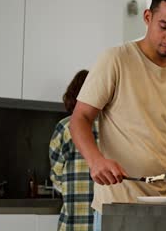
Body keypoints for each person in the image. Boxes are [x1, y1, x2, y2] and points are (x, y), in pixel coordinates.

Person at [70, 0, 166, 230]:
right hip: (119, 205)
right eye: (164, 26)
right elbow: (79, 118)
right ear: (148, 17)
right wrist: (96, 161)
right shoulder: (116, 60)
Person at [49, 69, 98, 231]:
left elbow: (57, 176)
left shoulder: (65, 127)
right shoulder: (113, 128)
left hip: (73, 220)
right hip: (103, 221)